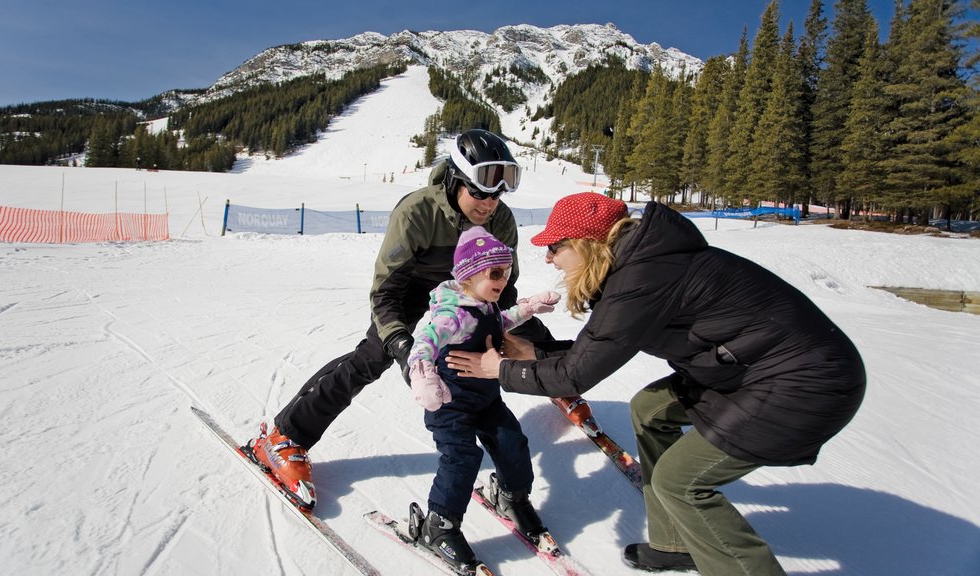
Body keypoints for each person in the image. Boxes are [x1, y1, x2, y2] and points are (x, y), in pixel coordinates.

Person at [445, 192, 867, 575]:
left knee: (681, 482)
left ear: (586, 243)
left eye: (556, 247)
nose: (550, 258)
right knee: (650, 409)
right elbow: (600, 347)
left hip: (806, 385)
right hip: (756, 370)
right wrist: (533, 355)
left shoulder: (642, 277)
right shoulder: (641, 265)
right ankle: (676, 543)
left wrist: (499, 370)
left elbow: (578, 373)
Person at [247, 129, 553, 510]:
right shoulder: (417, 212)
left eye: (497, 193)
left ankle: (559, 374)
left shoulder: (500, 219)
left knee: (517, 322)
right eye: (479, 192)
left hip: (468, 292)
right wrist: (402, 345)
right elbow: (386, 292)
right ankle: (285, 436)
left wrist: (501, 335)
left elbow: (505, 287)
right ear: (457, 180)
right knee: (371, 358)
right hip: (409, 294)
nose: (490, 203)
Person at [405, 226, 560, 569]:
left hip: (485, 398)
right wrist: (422, 373)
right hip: (450, 403)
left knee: (512, 442)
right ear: (468, 275)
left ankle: (511, 495)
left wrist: (528, 309)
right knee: (462, 457)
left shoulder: (485, 305)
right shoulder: (453, 314)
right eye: (495, 272)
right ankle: (439, 524)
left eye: (506, 271)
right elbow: (425, 341)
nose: (503, 279)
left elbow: (499, 322)